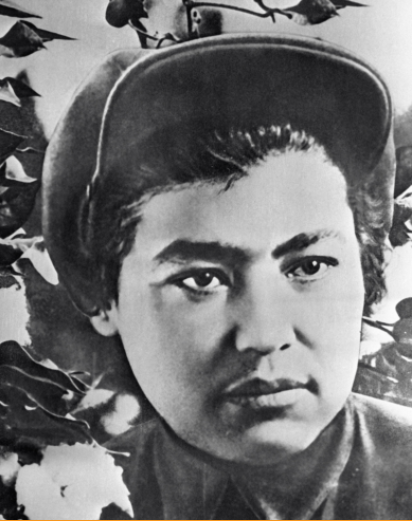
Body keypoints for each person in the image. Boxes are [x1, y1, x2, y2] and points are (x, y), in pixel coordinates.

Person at [42, 34, 411, 520]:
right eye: (202, 279)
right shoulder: (60, 499)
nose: (265, 335)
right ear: (104, 295)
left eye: (309, 267)